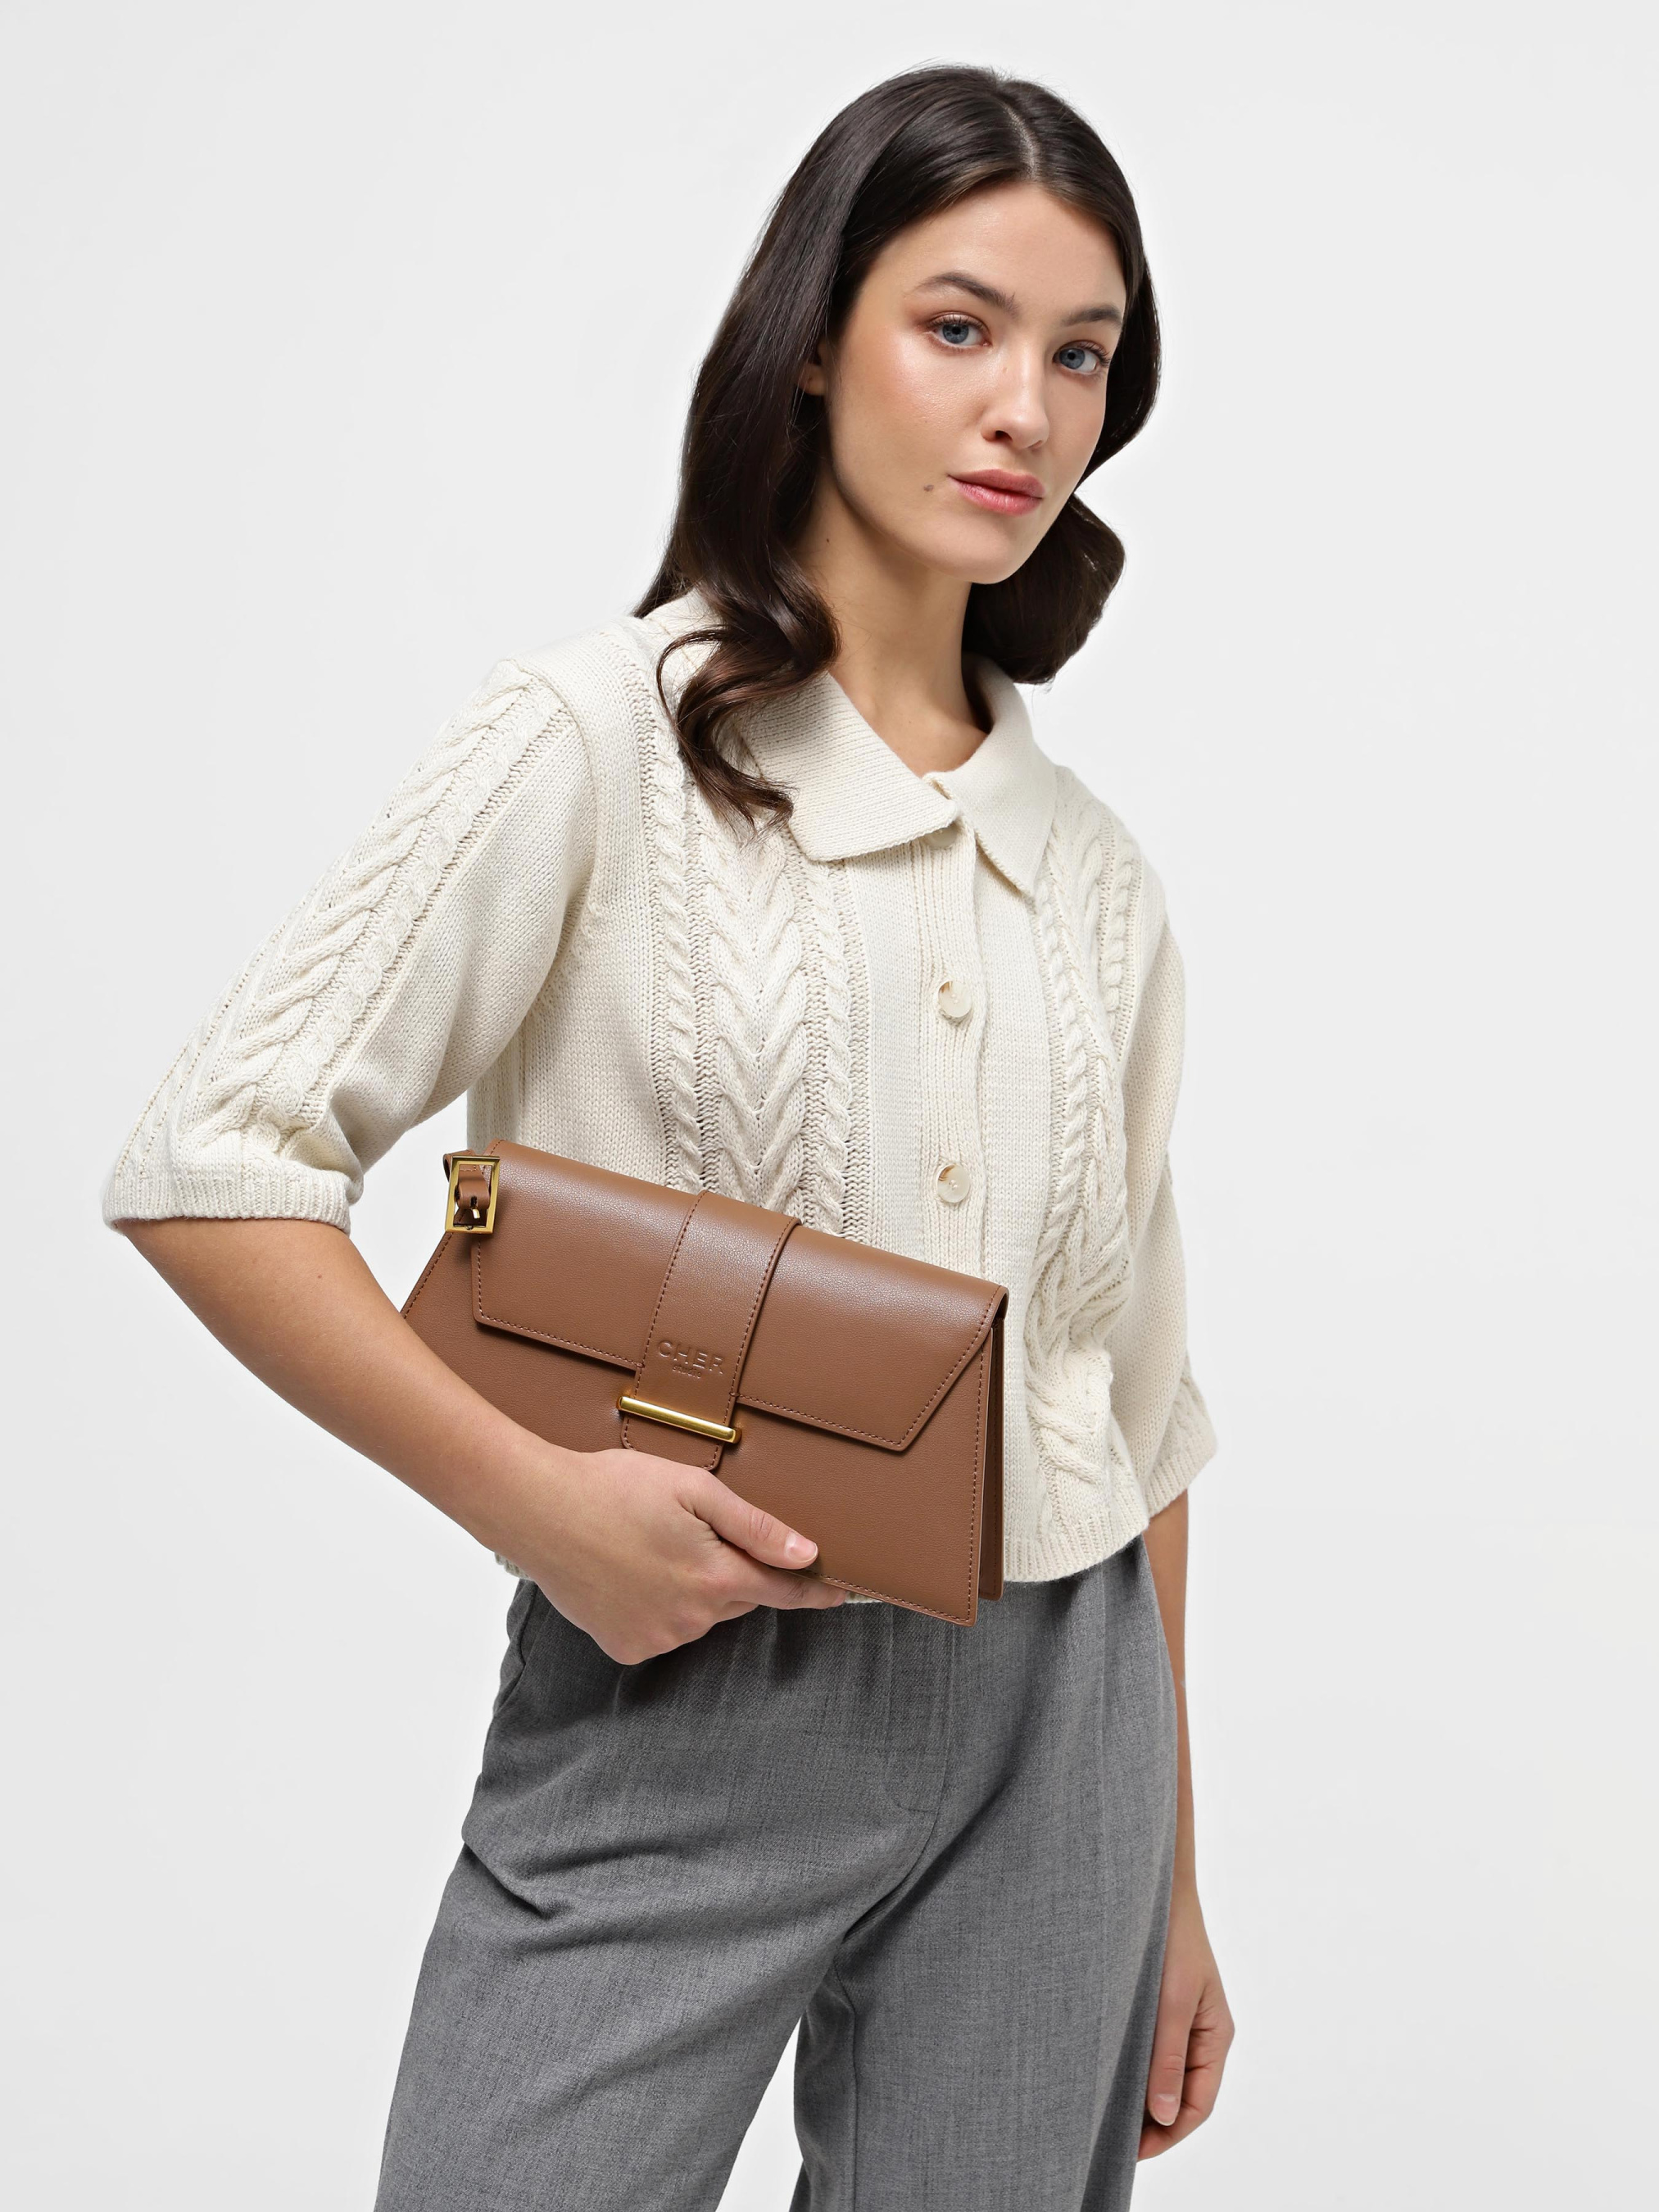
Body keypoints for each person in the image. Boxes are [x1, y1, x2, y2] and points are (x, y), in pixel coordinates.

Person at [107, 60, 1235, 2211]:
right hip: (686, 1668)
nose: (1023, 408)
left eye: (1080, 356)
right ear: (813, 340)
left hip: (1065, 1725)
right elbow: (212, 1165)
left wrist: (1170, 1875)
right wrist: (541, 1505)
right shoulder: (594, 741)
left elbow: (1139, 1404)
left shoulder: (1095, 876)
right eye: (959, 325)